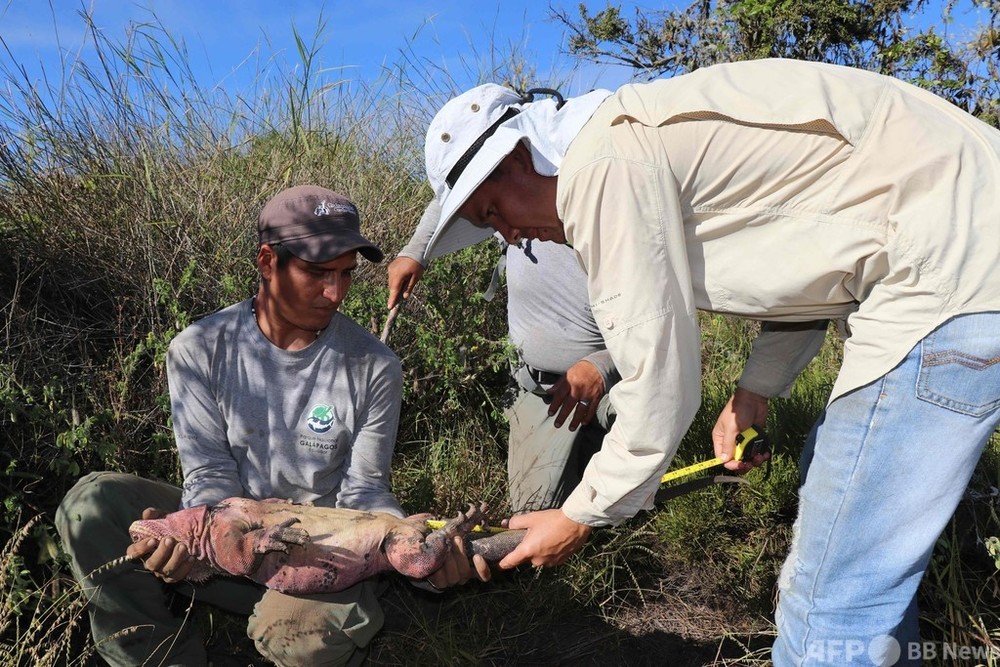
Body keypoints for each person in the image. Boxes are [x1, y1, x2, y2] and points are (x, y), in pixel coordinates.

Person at [419, 61, 1000, 666]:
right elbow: (814, 263)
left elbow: (659, 379)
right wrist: (754, 392)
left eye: (492, 213)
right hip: (963, 257)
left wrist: (579, 514)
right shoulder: (635, 134)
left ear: (518, 156)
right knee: (856, 561)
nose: (511, 236)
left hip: (944, 275)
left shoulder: (602, 164)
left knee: (830, 601)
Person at [55, 185, 487, 667]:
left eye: (346, 274)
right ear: (267, 261)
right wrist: (196, 545)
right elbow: (209, 475)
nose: (335, 293)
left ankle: (321, 615)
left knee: (297, 638)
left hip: (320, 556)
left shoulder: (374, 365)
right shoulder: (199, 348)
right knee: (90, 504)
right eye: (318, 272)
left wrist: (404, 541)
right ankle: (156, 655)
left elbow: (364, 491)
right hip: (232, 539)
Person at [387, 198, 618, 512]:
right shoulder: (506, 192)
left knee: (640, 483)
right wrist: (415, 252)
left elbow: (666, 322)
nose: (509, 232)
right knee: (533, 516)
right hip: (545, 392)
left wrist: (602, 366)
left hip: (623, 378)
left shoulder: (607, 195)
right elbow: (454, 192)